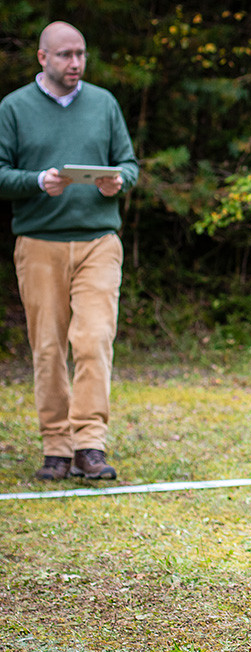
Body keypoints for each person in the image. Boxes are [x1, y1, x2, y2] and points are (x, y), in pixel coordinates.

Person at [0, 21, 138, 482]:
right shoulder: (14, 108)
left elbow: (130, 164)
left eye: (80, 54)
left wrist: (119, 180)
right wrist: (37, 181)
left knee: (94, 338)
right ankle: (55, 447)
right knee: (47, 347)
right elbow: (1, 174)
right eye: (65, 55)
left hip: (99, 240)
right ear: (43, 58)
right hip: (39, 243)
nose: (75, 63)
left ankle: (89, 445)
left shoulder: (104, 103)